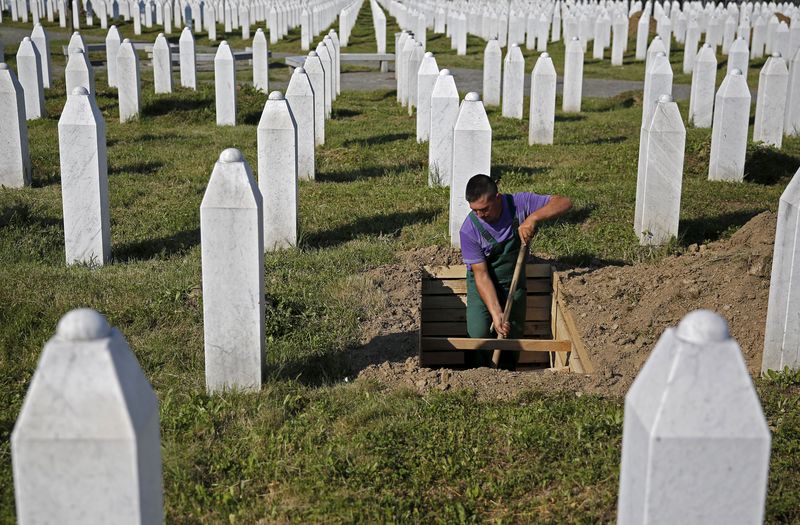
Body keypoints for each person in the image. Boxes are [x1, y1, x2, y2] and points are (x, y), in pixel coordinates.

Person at [460, 174, 572, 369]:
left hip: (513, 282)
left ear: (498, 197)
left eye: (484, 209)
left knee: (513, 336)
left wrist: (533, 218)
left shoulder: (518, 204)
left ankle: (507, 381)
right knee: (478, 334)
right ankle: (476, 378)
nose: (480, 215)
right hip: (483, 285)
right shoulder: (470, 230)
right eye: (474, 210)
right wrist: (496, 313)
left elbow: (564, 202)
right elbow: (481, 275)